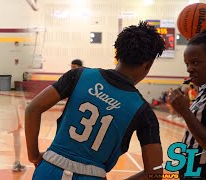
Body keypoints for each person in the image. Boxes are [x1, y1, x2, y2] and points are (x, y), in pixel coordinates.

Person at [25, 21, 165, 180]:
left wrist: (34, 156)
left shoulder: (78, 75)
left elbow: (33, 108)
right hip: (92, 175)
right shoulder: (144, 111)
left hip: (50, 168)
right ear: (148, 64)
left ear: (117, 53)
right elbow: (154, 174)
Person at [168, 30, 206, 179]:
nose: (189, 69)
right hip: (191, 169)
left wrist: (185, 112)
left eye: (195, 62)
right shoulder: (202, 89)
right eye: (187, 64)